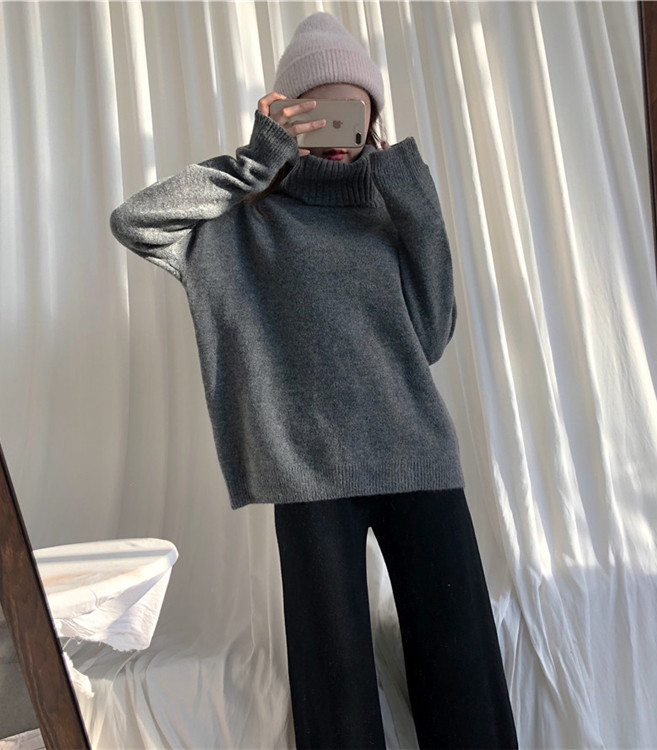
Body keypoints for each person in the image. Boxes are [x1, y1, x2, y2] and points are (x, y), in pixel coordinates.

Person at [110, 10, 518, 750]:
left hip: (416, 453)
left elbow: (431, 336)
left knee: (461, 662)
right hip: (308, 471)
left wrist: (411, 193)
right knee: (334, 683)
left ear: (372, 120)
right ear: (285, 114)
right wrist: (255, 160)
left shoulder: (389, 210)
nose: (334, 131)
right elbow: (135, 221)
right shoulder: (242, 220)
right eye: (315, 110)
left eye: (350, 112)